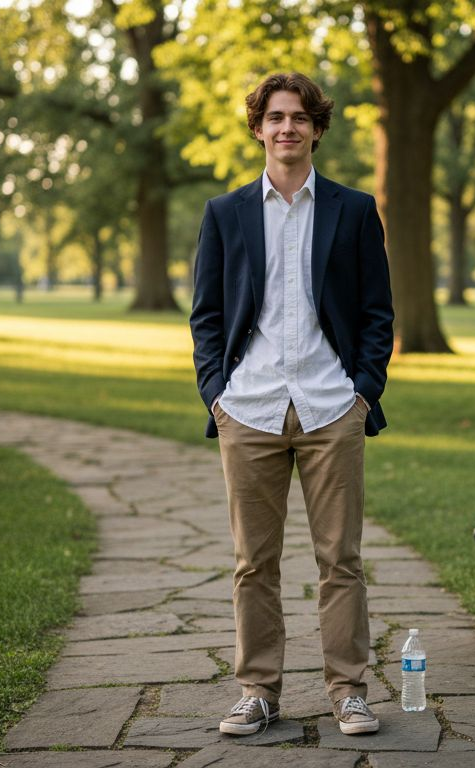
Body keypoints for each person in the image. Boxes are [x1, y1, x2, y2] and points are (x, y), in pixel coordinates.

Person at [189, 72, 394, 737]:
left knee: (341, 560)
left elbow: (376, 314)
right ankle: (258, 691)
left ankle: (349, 692)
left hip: (332, 406)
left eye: (300, 117)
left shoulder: (354, 209)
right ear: (258, 128)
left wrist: (364, 391)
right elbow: (207, 317)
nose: (287, 128)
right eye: (275, 117)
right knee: (255, 563)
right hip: (246, 410)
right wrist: (216, 395)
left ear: (316, 128)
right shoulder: (225, 213)